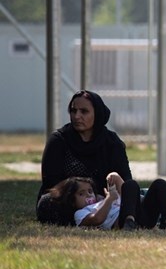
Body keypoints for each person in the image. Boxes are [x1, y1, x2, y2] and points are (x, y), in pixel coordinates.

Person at [37, 90, 133, 226]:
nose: (77, 116)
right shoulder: (59, 140)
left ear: (97, 113)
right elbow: (50, 182)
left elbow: (126, 180)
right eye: (73, 111)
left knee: (134, 195)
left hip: (105, 201)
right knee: (47, 202)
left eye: (84, 111)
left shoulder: (112, 142)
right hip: (68, 202)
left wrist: (102, 197)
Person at [48, 173, 166, 231]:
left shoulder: (104, 200)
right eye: (81, 194)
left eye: (90, 191)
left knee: (156, 184)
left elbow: (129, 193)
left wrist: (115, 176)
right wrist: (109, 199)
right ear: (72, 201)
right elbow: (97, 219)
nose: (88, 195)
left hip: (143, 217)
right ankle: (129, 222)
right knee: (130, 188)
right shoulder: (81, 213)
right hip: (122, 223)